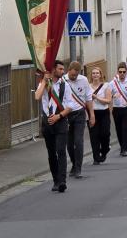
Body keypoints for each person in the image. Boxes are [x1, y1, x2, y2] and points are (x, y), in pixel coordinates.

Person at [34, 60, 69, 192]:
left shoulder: (65, 85)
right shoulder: (43, 84)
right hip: (47, 122)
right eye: (60, 69)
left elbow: (69, 106)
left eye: (63, 69)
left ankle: (62, 181)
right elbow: (37, 97)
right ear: (53, 70)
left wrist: (58, 116)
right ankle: (56, 180)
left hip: (60, 121)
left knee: (61, 151)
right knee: (51, 153)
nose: (62, 71)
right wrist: (44, 81)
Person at [63, 61, 94, 179]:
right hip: (67, 114)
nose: (74, 77)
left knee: (78, 141)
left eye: (76, 75)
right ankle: (74, 163)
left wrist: (92, 115)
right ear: (68, 70)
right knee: (69, 144)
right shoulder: (63, 81)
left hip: (80, 114)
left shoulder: (83, 80)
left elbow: (88, 98)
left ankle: (78, 168)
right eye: (72, 75)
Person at [109, 62, 127, 157]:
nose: (122, 73)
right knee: (118, 130)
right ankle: (122, 145)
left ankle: (124, 149)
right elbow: (108, 96)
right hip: (116, 109)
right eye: (120, 71)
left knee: (125, 129)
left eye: (124, 72)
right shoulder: (112, 84)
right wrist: (113, 96)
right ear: (117, 72)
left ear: (126, 72)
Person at [89, 67, 112, 165]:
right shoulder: (88, 87)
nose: (95, 75)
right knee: (94, 136)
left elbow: (108, 100)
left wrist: (96, 97)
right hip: (92, 113)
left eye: (97, 73)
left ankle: (105, 149)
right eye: (93, 73)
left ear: (100, 74)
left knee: (105, 133)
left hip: (104, 112)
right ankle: (96, 157)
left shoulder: (106, 86)